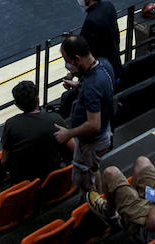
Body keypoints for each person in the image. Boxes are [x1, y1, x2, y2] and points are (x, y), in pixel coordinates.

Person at [54, 34, 115, 194]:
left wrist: (68, 134)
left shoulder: (91, 87)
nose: (67, 65)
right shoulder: (104, 65)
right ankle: (98, 198)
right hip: (104, 132)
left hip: (91, 143)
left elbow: (93, 124)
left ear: (77, 59)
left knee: (85, 182)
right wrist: (78, 85)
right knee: (93, 170)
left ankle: (92, 208)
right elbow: (98, 86)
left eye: (67, 61)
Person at [1, 81, 70, 183]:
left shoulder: (11, 124)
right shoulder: (56, 119)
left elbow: (4, 161)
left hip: (24, 185)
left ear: (17, 105)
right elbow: (74, 149)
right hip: (54, 183)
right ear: (37, 99)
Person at [77, 0, 121, 80]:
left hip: (102, 72)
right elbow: (116, 35)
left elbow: (85, 50)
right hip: (115, 62)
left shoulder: (90, 21)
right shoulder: (109, 6)